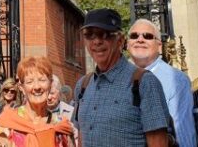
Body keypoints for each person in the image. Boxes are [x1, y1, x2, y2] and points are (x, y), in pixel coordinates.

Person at [73, 9, 170, 147]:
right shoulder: (83, 85)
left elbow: (158, 143)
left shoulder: (144, 82)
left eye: (103, 34)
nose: (96, 41)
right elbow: (82, 136)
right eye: (89, 35)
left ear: (120, 40)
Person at [128, 19, 197, 147]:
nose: (140, 39)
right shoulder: (119, 77)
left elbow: (182, 131)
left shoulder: (175, 79)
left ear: (159, 46)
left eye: (147, 36)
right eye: (134, 36)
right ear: (128, 44)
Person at [0, 57, 74, 147]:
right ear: (22, 88)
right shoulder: (7, 124)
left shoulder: (62, 127)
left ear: (50, 84)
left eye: (42, 80)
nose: (36, 87)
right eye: (30, 82)